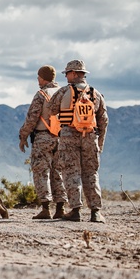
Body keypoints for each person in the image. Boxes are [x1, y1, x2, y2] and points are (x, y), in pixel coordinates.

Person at [47, 59, 108, 223]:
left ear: (74, 73)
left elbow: (51, 109)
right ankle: (95, 212)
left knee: (70, 172)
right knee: (91, 173)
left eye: (67, 73)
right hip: (90, 136)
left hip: (68, 136)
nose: (66, 76)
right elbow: (104, 121)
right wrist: (99, 142)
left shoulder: (63, 92)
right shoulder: (96, 94)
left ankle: (75, 210)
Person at [19, 65, 68, 219]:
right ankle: (61, 208)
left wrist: (23, 136)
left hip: (43, 137)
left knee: (41, 172)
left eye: (39, 77)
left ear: (42, 77)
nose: (38, 80)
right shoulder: (65, 93)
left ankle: (45, 208)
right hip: (63, 138)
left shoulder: (42, 94)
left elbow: (32, 118)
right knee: (58, 172)